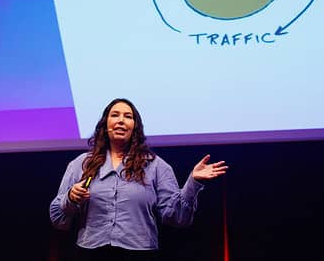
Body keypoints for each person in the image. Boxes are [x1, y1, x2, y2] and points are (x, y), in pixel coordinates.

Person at [49, 98, 228, 260]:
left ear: (135, 126)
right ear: (105, 124)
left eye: (128, 116)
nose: (121, 120)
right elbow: (57, 217)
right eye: (115, 115)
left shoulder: (156, 166)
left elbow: (178, 217)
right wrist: (71, 198)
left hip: (140, 253)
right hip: (90, 253)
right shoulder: (81, 164)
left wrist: (193, 182)